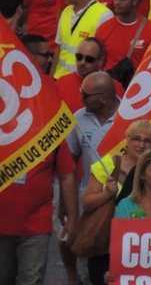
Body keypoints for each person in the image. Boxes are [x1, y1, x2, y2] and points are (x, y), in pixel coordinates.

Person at [0, 32, 77, 285]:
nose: (50, 59)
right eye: (45, 55)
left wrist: (73, 218)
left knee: (32, 281)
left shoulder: (49, 120)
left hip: (36, 227)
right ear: (28, 60)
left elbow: (66, 174)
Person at [53, 0, 113, 78]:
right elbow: (59, 49)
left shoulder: (103, 16)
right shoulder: (66, 12)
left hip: (85, 83)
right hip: (60, 80)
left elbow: (105, 57)